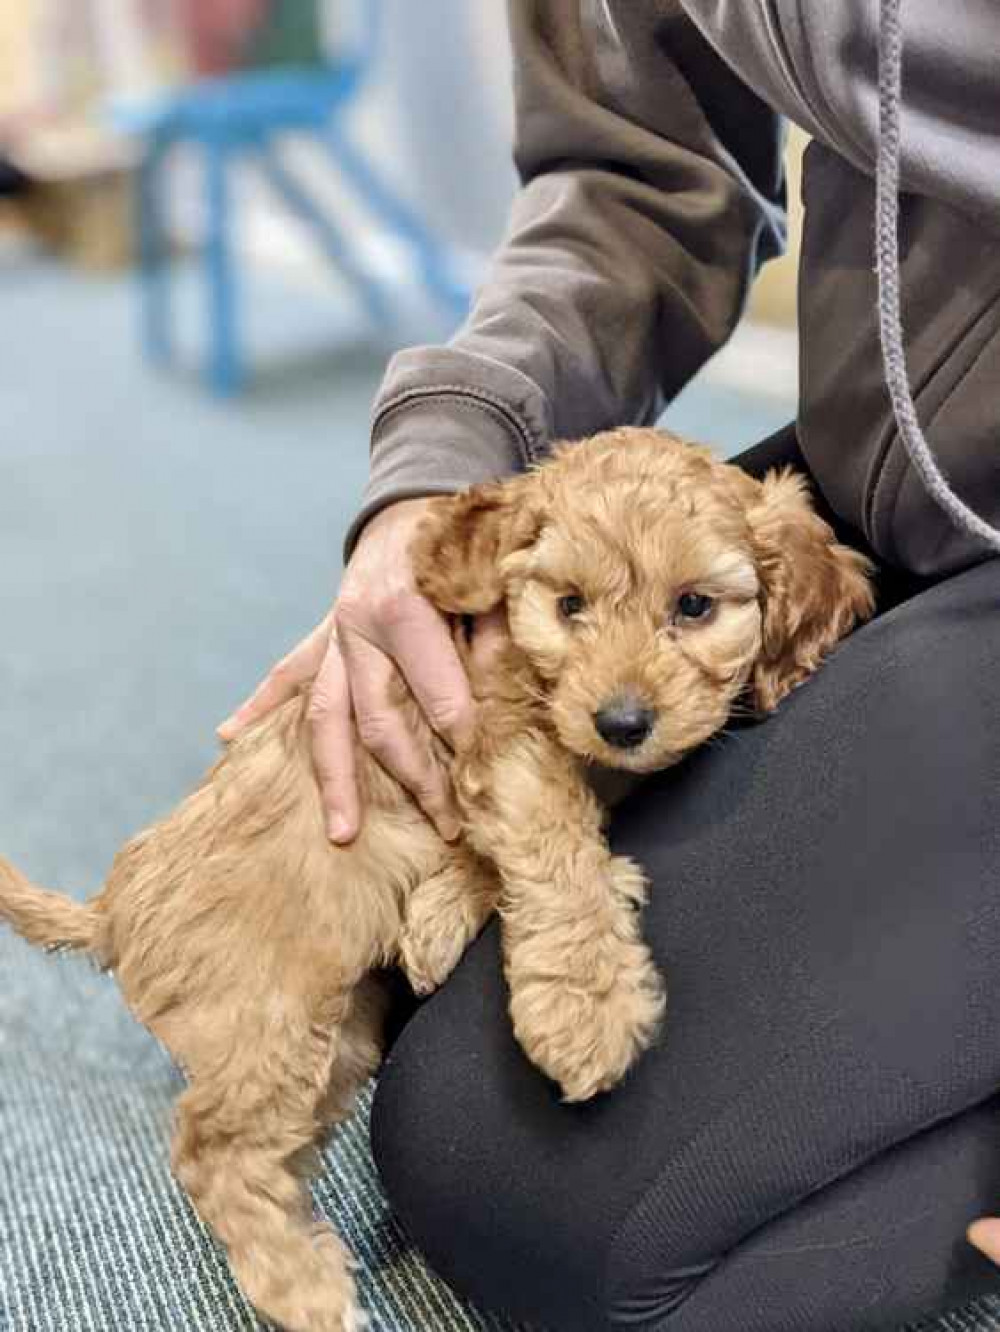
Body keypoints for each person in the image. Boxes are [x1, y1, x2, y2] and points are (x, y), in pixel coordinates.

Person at [218, 3, 1000, 1328]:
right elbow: (637, 172)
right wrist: (456, 456)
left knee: (640, 1252)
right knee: (451, 1104)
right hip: (878, 500)